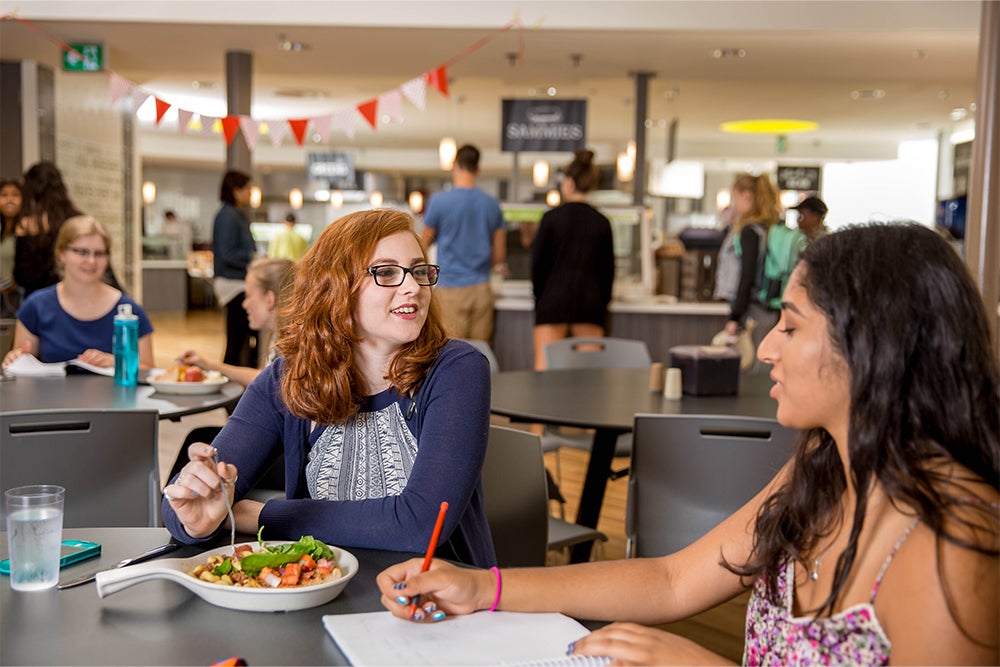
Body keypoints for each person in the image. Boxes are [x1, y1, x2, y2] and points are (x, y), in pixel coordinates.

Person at [377, 223, 999, 665]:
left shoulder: (958, 543)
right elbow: (674, 580)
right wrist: (483, 587)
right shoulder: (824, 466)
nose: (765, 348)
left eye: (790, 325)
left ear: (874, 343)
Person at [163, 209, 496, 569]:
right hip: (318, 594)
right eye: (385, 272)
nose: (413, 287)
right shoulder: (287, 379)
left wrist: (257, 515)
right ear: (336, 288)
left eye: (419, 271)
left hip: (438, 603)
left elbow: (420, 522)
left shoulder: (457, 368)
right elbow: (177, 506)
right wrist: (195, 518)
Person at [2, 215, 155, 371]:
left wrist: (116, 361)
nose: (91, 261)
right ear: (61, 254)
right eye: (82, 252)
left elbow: (148, 370)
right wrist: (15, 360)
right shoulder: (36, 307)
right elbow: (22, 366)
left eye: (99, 253)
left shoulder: (129, 312)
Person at [530, 149, 615, 370]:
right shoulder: (601, 222)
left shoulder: (551, 219)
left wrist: (541, 298)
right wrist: (602, 302)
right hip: (590, 304)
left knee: (544, 373)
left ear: (568, 182)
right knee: (588, 376)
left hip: (553, 301)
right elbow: (608, 272)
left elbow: (537, 267)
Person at [421, 144, 505, 342]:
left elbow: (421, 244)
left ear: (454, 166)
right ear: (478, 170)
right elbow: (499, 255)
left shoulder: (439, 201)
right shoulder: (491, 204)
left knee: (450, 355)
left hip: (450, 290)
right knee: (480, 354)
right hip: (482, 290)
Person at [179, 256, 295, 387]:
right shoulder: (277, 338)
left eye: (249, 296)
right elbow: (262, 377)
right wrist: (207, 365)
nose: (245, 304)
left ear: (269, 299)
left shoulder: (291, 348)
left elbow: (265, 382)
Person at [714, 173, 784, 349]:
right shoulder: (767, 228)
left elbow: (747, 275)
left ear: (746, 196)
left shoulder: (749, 231)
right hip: (768, 308)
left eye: (735, 197)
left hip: (753, 311)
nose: (734, 204)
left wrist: (735, 316)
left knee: (752, 367)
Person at [14, 161, 84, 298]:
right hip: (73, 298)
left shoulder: (26, 225)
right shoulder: (77, 220)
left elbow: (22, 277)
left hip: (39, 304)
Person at [212, 170, 258, 368]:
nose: (250, 193)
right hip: (234, 285)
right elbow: (227, 253)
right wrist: (254, 258)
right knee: (237, 341)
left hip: (238, 282)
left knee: (240, 340)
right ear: (236, 190)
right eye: (248, 188)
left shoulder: (235, 215)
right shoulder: (227, 216)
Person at [1, 178, 23, 318]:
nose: (10, 200)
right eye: (4, 195)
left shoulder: (27, 233)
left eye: (15, 195)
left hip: (17, 298)